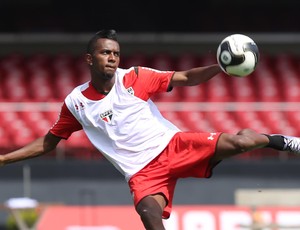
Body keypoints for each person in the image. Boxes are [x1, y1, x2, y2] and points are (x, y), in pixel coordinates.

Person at [0, 29, 299, 230]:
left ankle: (282, 141)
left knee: (239, 144)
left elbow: (184, 77)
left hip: (172, 146)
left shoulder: (135, 78)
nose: (113, 58)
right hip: (142, 172)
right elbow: (48, 143)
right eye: (106, 53)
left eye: (116, 53)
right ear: (90, 59)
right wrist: (3, 159)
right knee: (149, 217)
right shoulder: (76, 103)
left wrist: (218, 68)